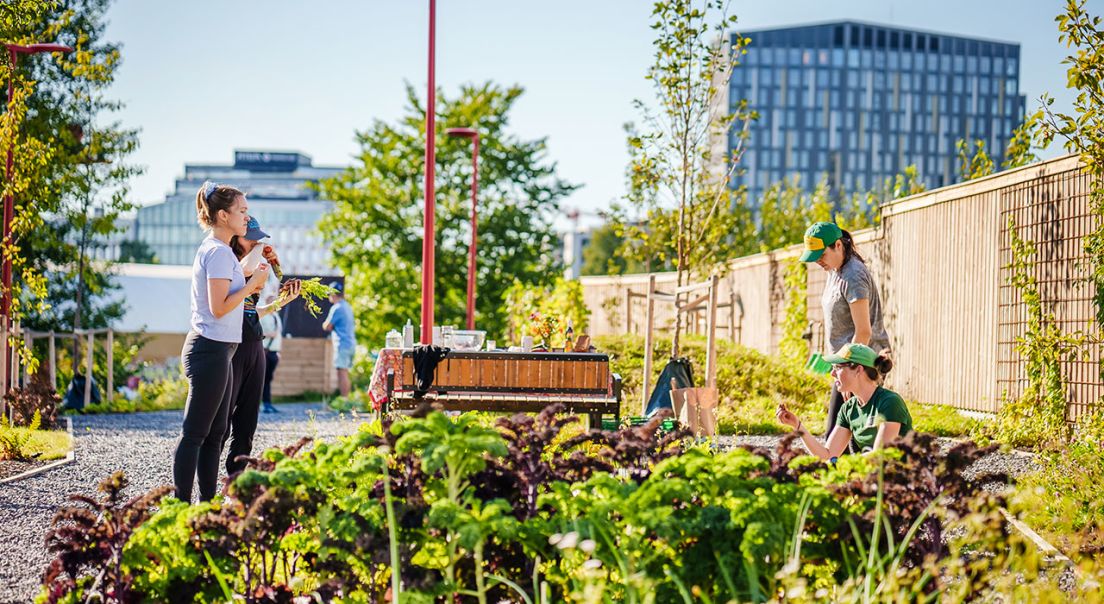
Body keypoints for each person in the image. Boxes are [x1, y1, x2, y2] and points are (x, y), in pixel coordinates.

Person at [173, 182, 267, 503]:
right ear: (223, 215)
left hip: (223, 350)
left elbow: (235, 276)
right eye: (241, 211)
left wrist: (255, 260)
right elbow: (219, 306)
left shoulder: (223, 251)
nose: (247, 216)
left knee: (215, 436)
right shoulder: (215, 251)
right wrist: (253, 285)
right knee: (195, 435)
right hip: (208, 349)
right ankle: (181, 508)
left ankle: (207, 505)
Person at [223, 217, 300, 476]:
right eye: (251, 236)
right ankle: (208, 487)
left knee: (247, 422)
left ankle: (236, 481)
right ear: (237, 237)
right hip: (230, 343)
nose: (257, 241)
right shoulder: (229, 261)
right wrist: (259, 250)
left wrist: (281, 302)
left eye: (259, 237)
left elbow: (252, 311)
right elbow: (243, 271)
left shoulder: (258, 265)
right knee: (221, 422)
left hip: (255, 342)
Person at [800, 221, 890, 435]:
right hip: (845, 366)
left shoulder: (853, 276)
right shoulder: (834, 270)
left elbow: (864, 332)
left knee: (841, 435)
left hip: (861, 366)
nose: (818, 262)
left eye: (821, 255)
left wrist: (851, 373)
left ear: (838, 245)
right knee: (846, 436)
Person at [775, 343, 912, 460]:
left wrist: (844, 465)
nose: (832, 373)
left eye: (838, 367)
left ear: (858, 370)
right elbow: (828, 455)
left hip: (903, 482)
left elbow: (880, 456)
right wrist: (797, 426)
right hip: (873, 479)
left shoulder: (890, 402)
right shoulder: (849, 409)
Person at [322, 281, 356, 397]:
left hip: (342, 345)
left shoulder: (336, 308)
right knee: (345, 372)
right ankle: (346, 399)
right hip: (350, 343)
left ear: (333, 294)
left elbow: (327, 326)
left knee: (341, 373)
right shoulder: (347, 306)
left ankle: (344, 400)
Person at [260, 290, 283, 414]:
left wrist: (279, 351)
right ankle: (264, 404)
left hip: (274, 351)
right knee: (263, 379)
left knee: (268, 378)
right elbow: (258, 332)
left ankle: (268, 403)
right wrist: (269, 334)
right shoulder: (263, 316)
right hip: (265, 351)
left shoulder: (276, 316)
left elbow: (279, 335)